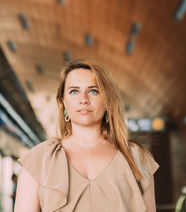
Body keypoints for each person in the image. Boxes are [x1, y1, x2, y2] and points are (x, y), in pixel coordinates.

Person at [14, 59, 159, 212]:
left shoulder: (136, 158)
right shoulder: (39, 160)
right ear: (63, 102)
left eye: (93, 91)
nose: (83, 99)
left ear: (107, 101)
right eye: (74, 91)